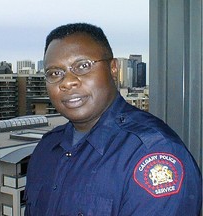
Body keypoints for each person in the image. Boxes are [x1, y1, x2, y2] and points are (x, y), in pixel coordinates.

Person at [24, 23, 202, 215]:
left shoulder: (152, 153)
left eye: (82, 66)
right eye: (55, 73)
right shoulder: (47, 148)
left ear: (113, 68)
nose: (67, 82)